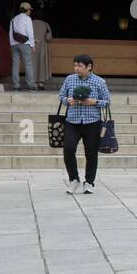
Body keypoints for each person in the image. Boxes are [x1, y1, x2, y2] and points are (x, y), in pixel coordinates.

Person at [57, 53, 111, 195]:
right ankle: (74, 179)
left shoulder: (99, 82)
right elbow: (61, 96)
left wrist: (95, 102)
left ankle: (89, 182)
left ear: (89, 67)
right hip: (72, 121)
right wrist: (67, 100)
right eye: (75, 65)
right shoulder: (69, 80)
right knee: (68, 149)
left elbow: (107, 101)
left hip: (92, 122)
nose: (76, 68)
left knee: (91, 154)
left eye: (79, 66)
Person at [8, 1, 36, 92]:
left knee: (15, 65)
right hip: (25, 43)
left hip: (14, 44)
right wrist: (32, 45)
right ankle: (31, 85)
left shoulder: (13, 19)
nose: (30, 12)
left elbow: (10, 33)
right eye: (30, 10)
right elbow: (30, 33)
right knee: (28, 64)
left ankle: (16, 86)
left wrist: (12, 44)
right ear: (27, 10)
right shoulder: (27, 19)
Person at [32, 12, 52, 91]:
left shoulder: (30, 23)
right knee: (41, 64)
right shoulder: (45, 24)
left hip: (32, 45)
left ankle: (33, 83)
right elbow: (49, 37)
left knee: (33, 64)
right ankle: (41, 83)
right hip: (42, 46)